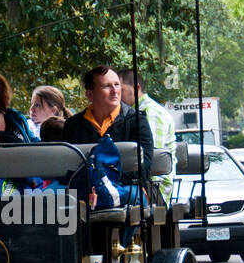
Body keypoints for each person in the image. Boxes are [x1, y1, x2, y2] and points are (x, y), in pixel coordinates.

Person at [62, 65, 155, 187]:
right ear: (90, 94)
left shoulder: (136, 121)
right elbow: (65, 169)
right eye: (107, 86)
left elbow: (144, 170)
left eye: (117, 84)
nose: (115, 90)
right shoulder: (73, 125)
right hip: (85, 197)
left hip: (126, 196)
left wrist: (104, 181)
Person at [118, 68, 176, 199]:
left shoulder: (149, 113)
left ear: (136, 88)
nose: (116, 94)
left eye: (120, 89)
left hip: (154, 189)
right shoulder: (130, 113)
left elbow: (150, 160)